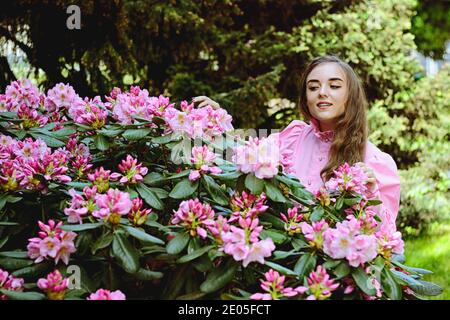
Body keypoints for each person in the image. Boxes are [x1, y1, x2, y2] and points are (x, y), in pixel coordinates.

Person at [193, 55, 401, 231]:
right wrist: (218, 121)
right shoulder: (293, 137)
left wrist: (370, 190)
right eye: (313, 87)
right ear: (305, 97)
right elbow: (246, 156)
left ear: (350, 95)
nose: (322, 92)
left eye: (334, 86)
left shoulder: (375, 160)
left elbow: (383, 235)